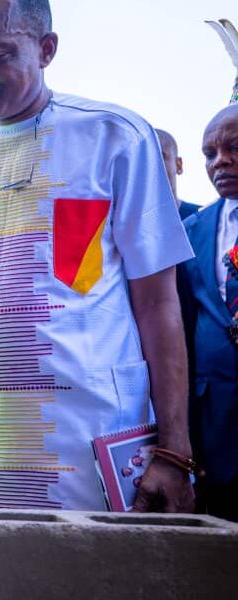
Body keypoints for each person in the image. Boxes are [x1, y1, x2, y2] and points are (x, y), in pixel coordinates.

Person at [0, 0, 196, 512]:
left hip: (101, 455)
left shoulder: (115, 137)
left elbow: (159, 306)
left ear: (47, 50)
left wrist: (175, 451)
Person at [178, 104, 238, 521]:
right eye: (210, 154)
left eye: (233, 148)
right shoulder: (192, 230)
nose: (221, 161)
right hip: (216, 430)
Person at [155, 128, 200, 220]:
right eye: (142, 160)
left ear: (178, 165)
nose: (150, 165)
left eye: (160, 157)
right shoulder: (123, 226)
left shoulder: (205, 219)